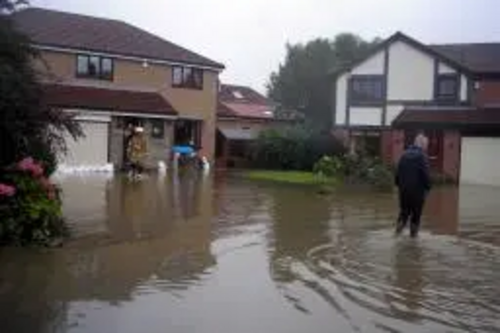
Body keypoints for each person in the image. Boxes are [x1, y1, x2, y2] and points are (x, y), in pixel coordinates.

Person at [394, 133, 431, 238]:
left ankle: (397, 235)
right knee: (416, 215)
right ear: (422, 144)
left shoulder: (403, 155)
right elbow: (426, 175)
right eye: (426, 145)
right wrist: (428, 187)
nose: (426, 148)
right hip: (418, 192)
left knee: (403, 213)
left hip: (403, 191)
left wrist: (399, 185)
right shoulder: (422, 156)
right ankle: (413, 239)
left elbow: (397, 173)